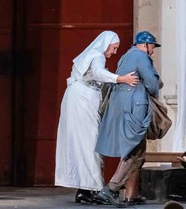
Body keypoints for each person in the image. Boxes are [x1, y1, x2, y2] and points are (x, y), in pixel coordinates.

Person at [55, 31, 139, 204]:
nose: (114, 52)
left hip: (80, 100)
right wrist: (121, 79)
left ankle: (86, 189)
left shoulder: (92, 56)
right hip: (82, 102)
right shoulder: (97, 56)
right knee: (90, 143)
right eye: (114, 48)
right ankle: (91, 189)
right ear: (105, 44)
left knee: (86, 144)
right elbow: (99, 73)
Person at [95, 31, 162, 207]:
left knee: (136, 152)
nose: (153, 51)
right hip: (134, 108)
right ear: (145, 45)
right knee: (134, 151)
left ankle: (130, 193)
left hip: (124, 106)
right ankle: (111, 189)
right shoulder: (140, 56)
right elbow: (152, 83)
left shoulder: (126, 56)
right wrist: (155, 88)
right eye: (152, 47)